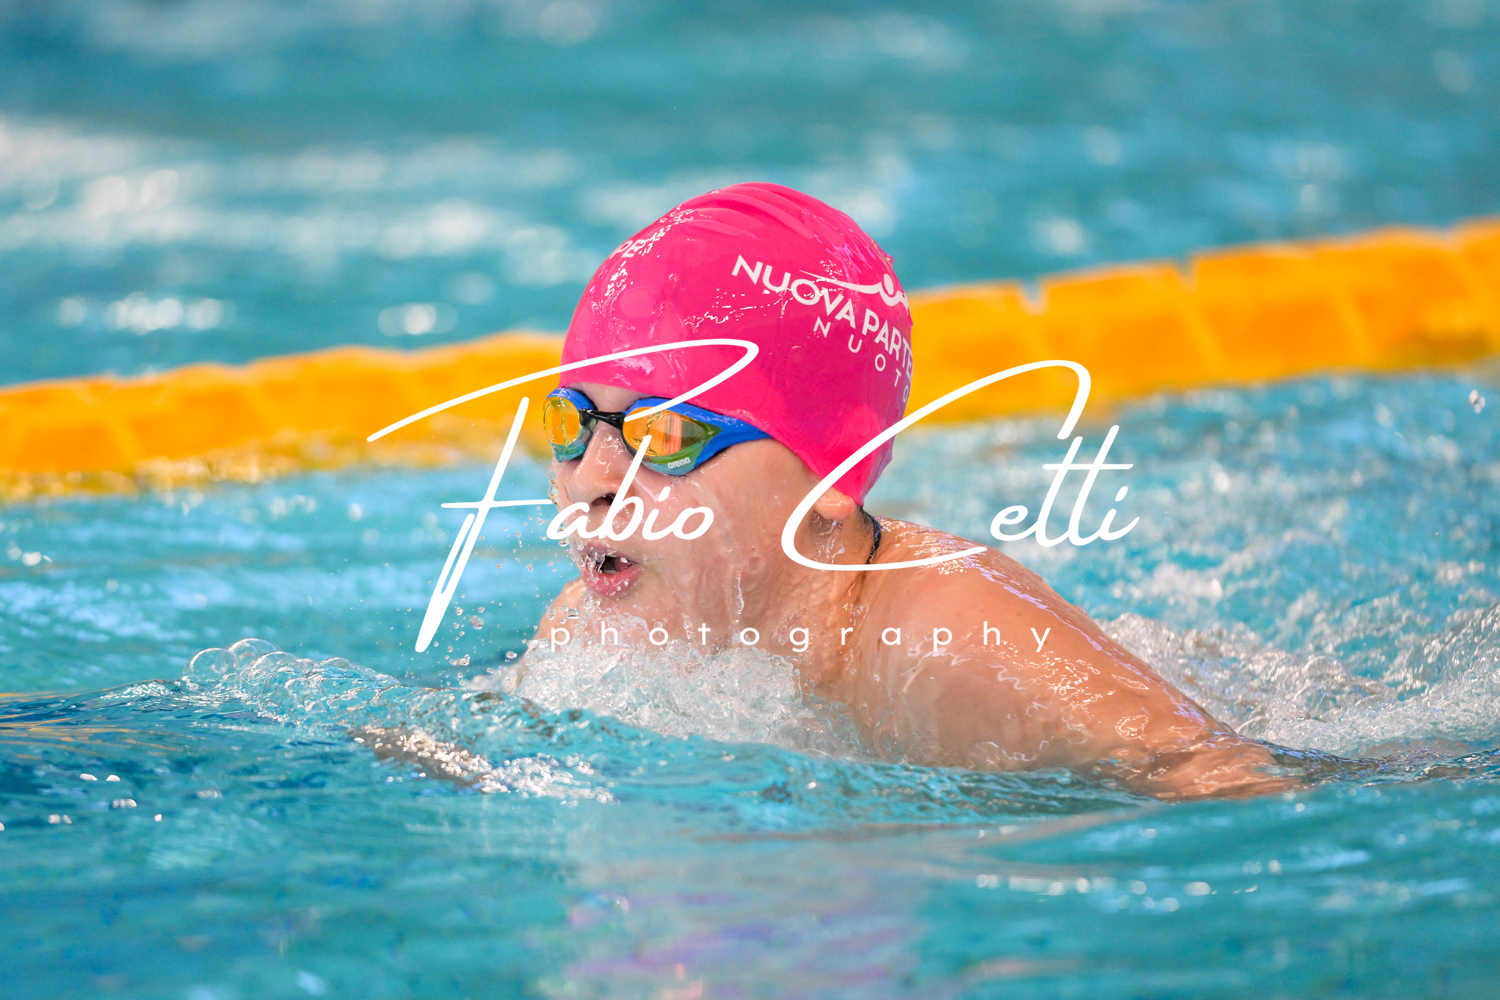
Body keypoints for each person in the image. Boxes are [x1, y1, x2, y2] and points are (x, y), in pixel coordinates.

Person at [530, 182, 1293, 800]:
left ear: (833, 475)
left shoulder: (954, 644)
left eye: (664, 434)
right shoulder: (587, 633)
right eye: (572, 423)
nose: (591, 479)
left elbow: (1238, 786)